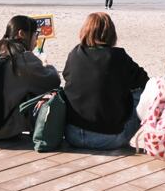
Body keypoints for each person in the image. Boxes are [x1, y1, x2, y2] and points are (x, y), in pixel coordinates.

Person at [63, 12, 149, 150]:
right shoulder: (118, 56)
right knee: (140, 93)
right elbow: (144, 81)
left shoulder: (75, 53)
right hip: (109, 139)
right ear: (111, 33)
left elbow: (67, 76)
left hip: (73, 134)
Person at [0, 15, 61, 141]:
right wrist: (46, 65)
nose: (36, 38)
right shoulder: (23, 58)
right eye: (35, 34)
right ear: (21, 34)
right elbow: (53, 81)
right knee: (51, 94)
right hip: (1, 130)